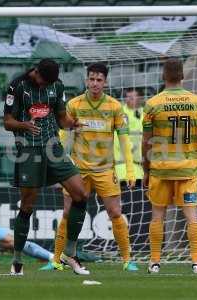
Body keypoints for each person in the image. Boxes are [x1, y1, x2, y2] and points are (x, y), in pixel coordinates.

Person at [41, 63, 138, 272]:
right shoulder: (74, 105)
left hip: (105, 170)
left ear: (105, 82)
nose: (94, 83)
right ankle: (56, 260)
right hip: (78, 170)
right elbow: (62, 137)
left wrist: (130, 170)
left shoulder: (114, 107)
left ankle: (127, 260)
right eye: (91, 79)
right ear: (86, 80)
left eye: (99, 80)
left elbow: (124, 140)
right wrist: (58, 166)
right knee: (67, 213)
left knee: (115, 212)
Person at [3, 58, 89, 275]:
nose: (42, 85)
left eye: (46, 83)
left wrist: (73, 123)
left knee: (80, 194)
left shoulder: (56, 85)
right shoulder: (17, 86)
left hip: (53, 147)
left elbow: (61, 118)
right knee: (28, 205)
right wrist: (23, 125)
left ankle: (70, 253)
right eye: (41, 81)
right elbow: (7, 122)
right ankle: (17, 259)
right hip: (29, 150)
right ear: (36, 72)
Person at [142, 58, 197, 274]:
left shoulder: (153, 104)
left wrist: (146, 169)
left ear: (163, 76)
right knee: (192, 216)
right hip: (188, 170)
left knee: (158, 215)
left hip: (160, 170)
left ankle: (154, 262)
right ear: (182, 76)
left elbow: (146, 141)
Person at [114, 87, 144, 182]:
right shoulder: (121, 113)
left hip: (140, 166)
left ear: (140, 98)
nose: (128, 100)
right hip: (123, 166)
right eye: (127, 97)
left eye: (132, 97)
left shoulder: (145, 113)